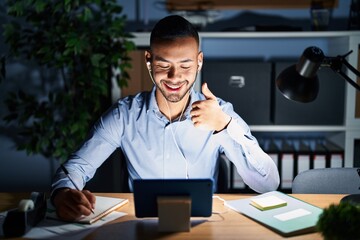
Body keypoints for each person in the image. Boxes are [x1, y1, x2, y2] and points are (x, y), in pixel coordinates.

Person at [51, 15, 280, 221]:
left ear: (199, 62)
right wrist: (62, 193)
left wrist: (225, 126)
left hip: (203, 226)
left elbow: (268, 184)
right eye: (163, 65)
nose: (174, 77)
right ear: (148, 60)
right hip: (141, 225)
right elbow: (76, 168)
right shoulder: (124, 115)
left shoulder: (219, 112)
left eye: (185, 65)